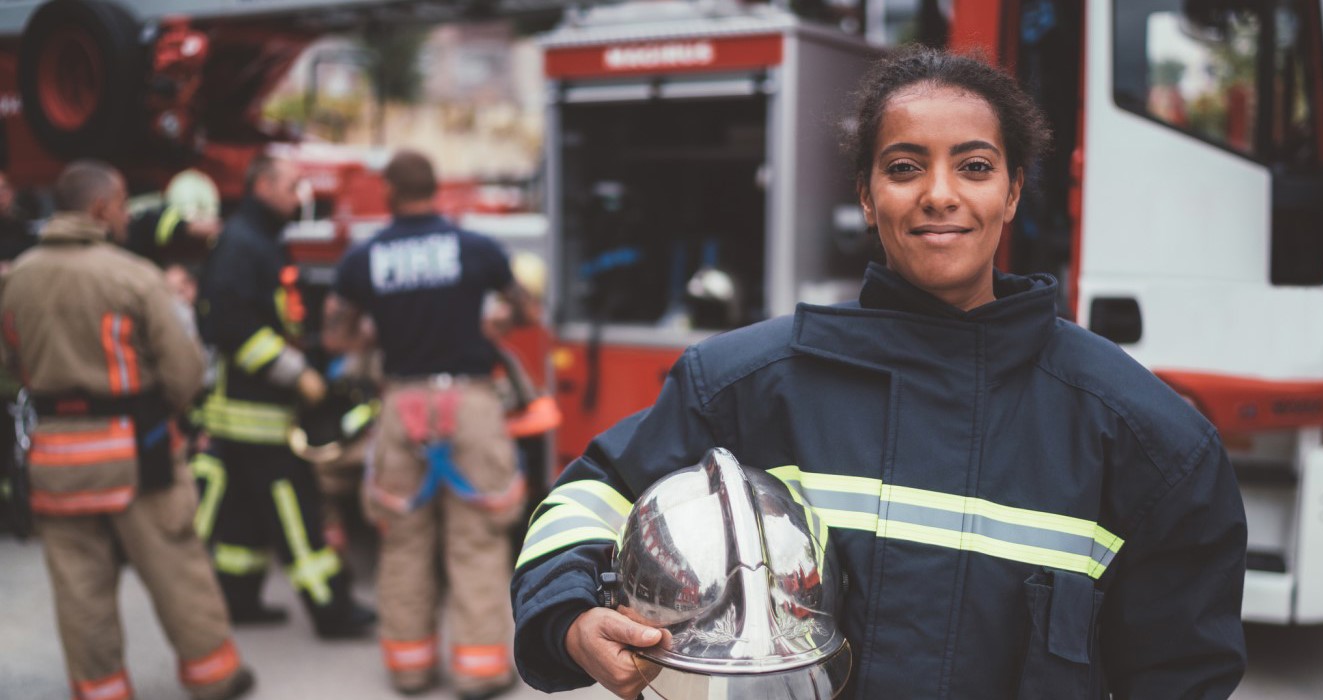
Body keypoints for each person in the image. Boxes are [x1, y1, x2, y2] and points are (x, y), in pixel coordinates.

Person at [510, 47, 1248, 699]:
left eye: (975, 166)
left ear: (1012, 193)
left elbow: (1183, 674)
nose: (939, 193)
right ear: (867, 196)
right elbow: (591, 497)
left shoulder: (1146, 439)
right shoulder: (743, 385)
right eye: (903, 168)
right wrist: (570, 618)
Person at [0, 160, 254, 700]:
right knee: (176, 568)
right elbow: (185, 371)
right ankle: (215, 677)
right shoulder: (132, 275)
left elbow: (8, 365)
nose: (124, 215)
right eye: (119, 204)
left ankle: (102, 691)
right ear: (99, 210)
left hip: (55, 460)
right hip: (138, 454)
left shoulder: (17, 277)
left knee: (79, 588)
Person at [324, 150, 539, 699]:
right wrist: (495, 320)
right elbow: (527, 311)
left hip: (402, 403)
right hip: (468, 401)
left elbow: (336, 336)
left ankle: (410, 668)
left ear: (391, 193)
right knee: (477, 538)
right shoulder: (476, 249)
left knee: (403, 539)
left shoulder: (364, 259)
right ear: (437, 189)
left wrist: (376, 335)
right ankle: (479, 669)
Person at [194, 154, 374, 637]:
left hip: (246, 413)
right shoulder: (242, 244)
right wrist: (297, 375)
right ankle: (332, 609)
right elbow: (230, 325)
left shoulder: (258, 240)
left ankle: (239, 598)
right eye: (293, 187)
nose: (301, 197)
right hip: (257, 413)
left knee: (241, 515)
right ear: (263, 185)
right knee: (296, 510)